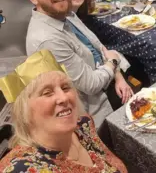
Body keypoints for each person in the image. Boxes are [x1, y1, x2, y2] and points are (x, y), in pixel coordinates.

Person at [24, 0, 132, 126]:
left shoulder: (66, 14)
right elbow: (91, 85)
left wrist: (118, 77)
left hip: (108, 80)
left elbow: (99, 46)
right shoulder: (47, 39)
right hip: (96, 111)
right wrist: (113, 62)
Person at [0, 50, 128, 172]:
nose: (64, 97)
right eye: (47, 93)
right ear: (24, 110)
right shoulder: (24, 168)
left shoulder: (83, 126)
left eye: (65, 87)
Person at [65, 0, 133, 110]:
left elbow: (100, 48)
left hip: (107, 71)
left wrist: (118, 77)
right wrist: (114, 66)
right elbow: (90, 83)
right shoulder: (65, 23)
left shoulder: (73, 16)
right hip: (96, 88)